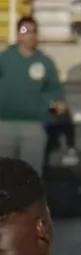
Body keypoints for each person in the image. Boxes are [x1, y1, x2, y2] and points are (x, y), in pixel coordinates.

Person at [0, 17, 63, 173]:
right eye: (25, 31)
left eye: (34, 31)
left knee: (32, 176)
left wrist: (58, 104)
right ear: (18, 35)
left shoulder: (45, 62)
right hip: (4, 125)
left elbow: (55, 90)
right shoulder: (4, 59)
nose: (30, 35)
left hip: (34, 127)